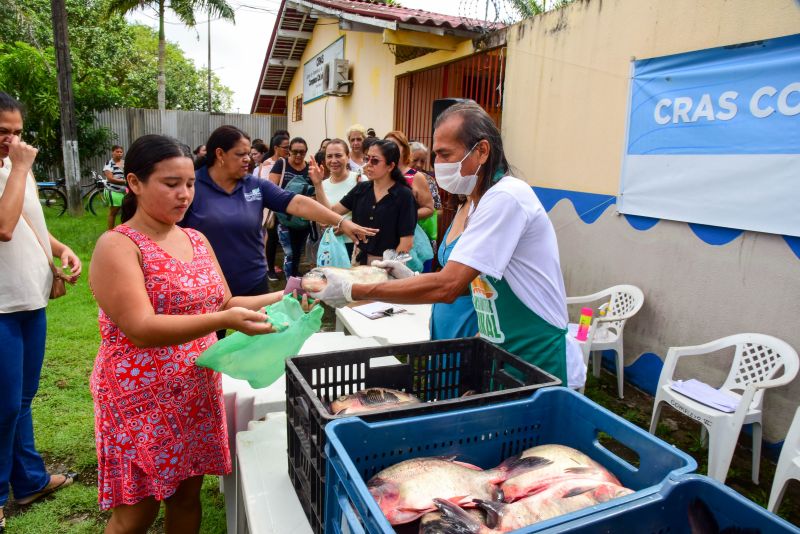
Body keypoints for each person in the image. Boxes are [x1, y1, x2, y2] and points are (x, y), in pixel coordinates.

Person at [89, 134, 312, 533]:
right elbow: (141, 329)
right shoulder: (118, 246)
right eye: (171, 184)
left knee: (187, 496)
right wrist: (221, 322)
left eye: (189, 184)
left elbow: (224, 303)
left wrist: (290, 292)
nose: (184, 195)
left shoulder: (195, 238)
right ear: (135, 183)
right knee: (136, 512)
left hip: (194, 386)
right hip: (139, 396)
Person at [310, 101, 584, 387]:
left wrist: (353, 289)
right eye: (436, 155)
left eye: (445, 154)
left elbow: (449, 286)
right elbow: (473, 282)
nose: (437, 164)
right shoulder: (479, 205)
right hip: (501, 354)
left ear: (481, 151)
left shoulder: (507, 198)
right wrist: (415, 278)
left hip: (536, 357)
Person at [182, 126, 374, 330]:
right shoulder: (191, 185)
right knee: (209, 347)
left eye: (249, 153)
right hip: (206, 287)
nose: (248, 159)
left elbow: (298, 203)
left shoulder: (253, 185)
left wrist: (342, 222)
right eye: (240, 154)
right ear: (220, 154)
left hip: (253, 282)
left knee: (256, 346)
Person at [0, 92, 81, 529]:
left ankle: (28, 480)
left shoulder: (15, 171)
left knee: (21, 400)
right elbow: (4, 226)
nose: (12, 142)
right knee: (4, 405)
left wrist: (59, 248)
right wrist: (21, 167)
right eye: (2, 133)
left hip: (29, 298)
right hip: (0, 308)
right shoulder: (19, 168)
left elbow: (31, 222)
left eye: (17, 132)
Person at [312, 139, 416, 265]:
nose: (368, 165)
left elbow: (406, 242)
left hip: (389, 264)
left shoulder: (404, 195)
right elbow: (331, 212)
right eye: (367, 159)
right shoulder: (362, 188)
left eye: (375, 161)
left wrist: (388, 267)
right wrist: (318, 184)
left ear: (391, 166)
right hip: (359, 261)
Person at [269, 137, 314, 277]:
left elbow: (314, 191)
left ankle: (294, 276)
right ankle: (289, 286)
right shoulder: (281, 164)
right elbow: (271, 189)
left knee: (298, 251)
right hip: (284, 218)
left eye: (302, 152)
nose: (299, 155)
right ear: (289, 151)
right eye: (295, 152)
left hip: (302, 219)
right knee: (288, 253)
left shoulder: (308, 168)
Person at [308, 139, 359, 258]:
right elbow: (324, 215)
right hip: (330, 244)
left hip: (354, 244)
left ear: (348, 156)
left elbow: (369, 215)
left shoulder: (360, 180)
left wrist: (346, 225)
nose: (333, 160)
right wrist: (317, 184)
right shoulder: (322, 184)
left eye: (338, 155)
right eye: (329, 156)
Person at [258, 133, 290, 280]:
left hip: (286, 206)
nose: (288, 150)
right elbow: (264, 185)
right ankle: (269, 268)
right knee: (271, 238)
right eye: (286, 147)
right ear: (276, 148)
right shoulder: (267, 164)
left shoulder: (287, 162)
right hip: (271, 206)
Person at [103, 145, 127, 230]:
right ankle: (110, 231)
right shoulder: (108, 164)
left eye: (121, 152)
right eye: (117, 151)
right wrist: (125, 181)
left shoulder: (125, 163)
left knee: (126, 211)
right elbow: (110, 179)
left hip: (124, 191)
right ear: (112, 152)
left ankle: (125, 230)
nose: (119, 153)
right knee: (114, 212)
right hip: (113, 190)